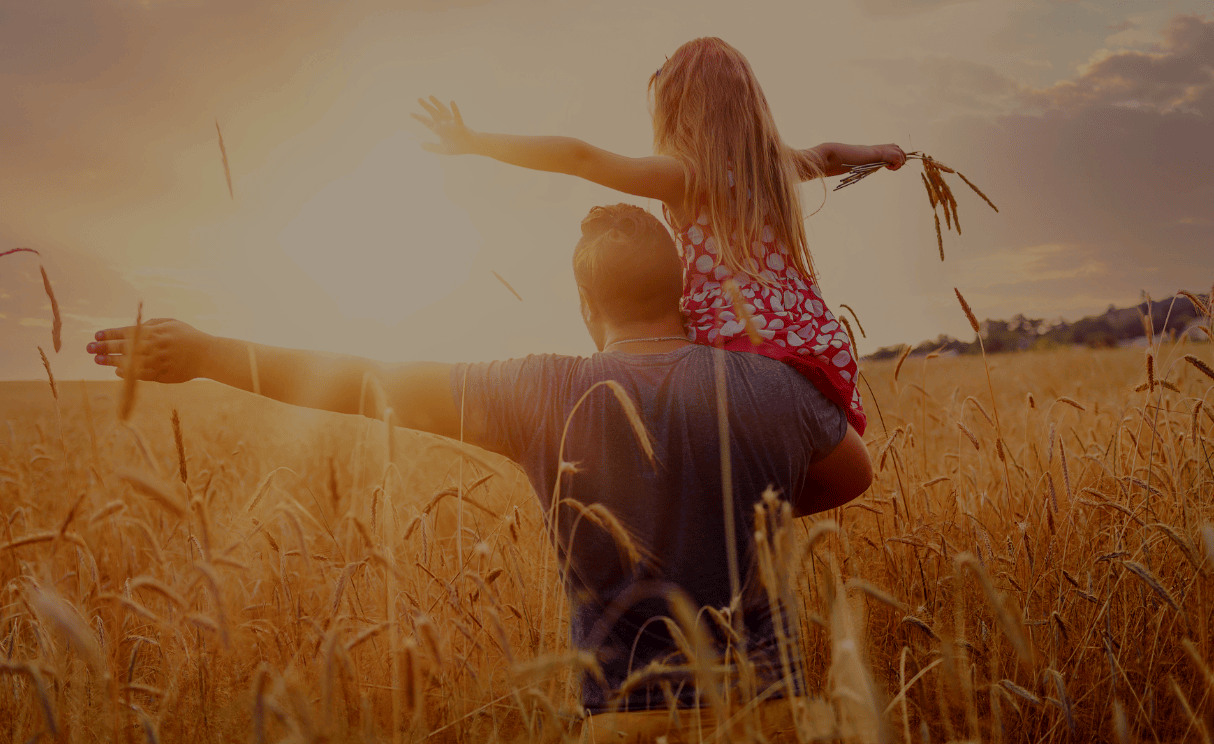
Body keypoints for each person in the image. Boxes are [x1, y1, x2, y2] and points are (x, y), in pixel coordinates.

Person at [86, 204, 872, 742]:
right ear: (680, 292)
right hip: (773, 714)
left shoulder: (542, 389)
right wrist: (744, 510)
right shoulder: (775, 387)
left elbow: (367, 379)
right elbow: (853, 476)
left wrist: (206, 355)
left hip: (631, 722)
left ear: (584, 299)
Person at [412, 36, 906, 443]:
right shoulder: (776, 167)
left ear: (679, 110)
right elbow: (832, 153)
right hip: (804, 337)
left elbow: (579, 157)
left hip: (728, 340)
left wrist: (479, 142)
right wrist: (881, 152)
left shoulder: (687, 176)